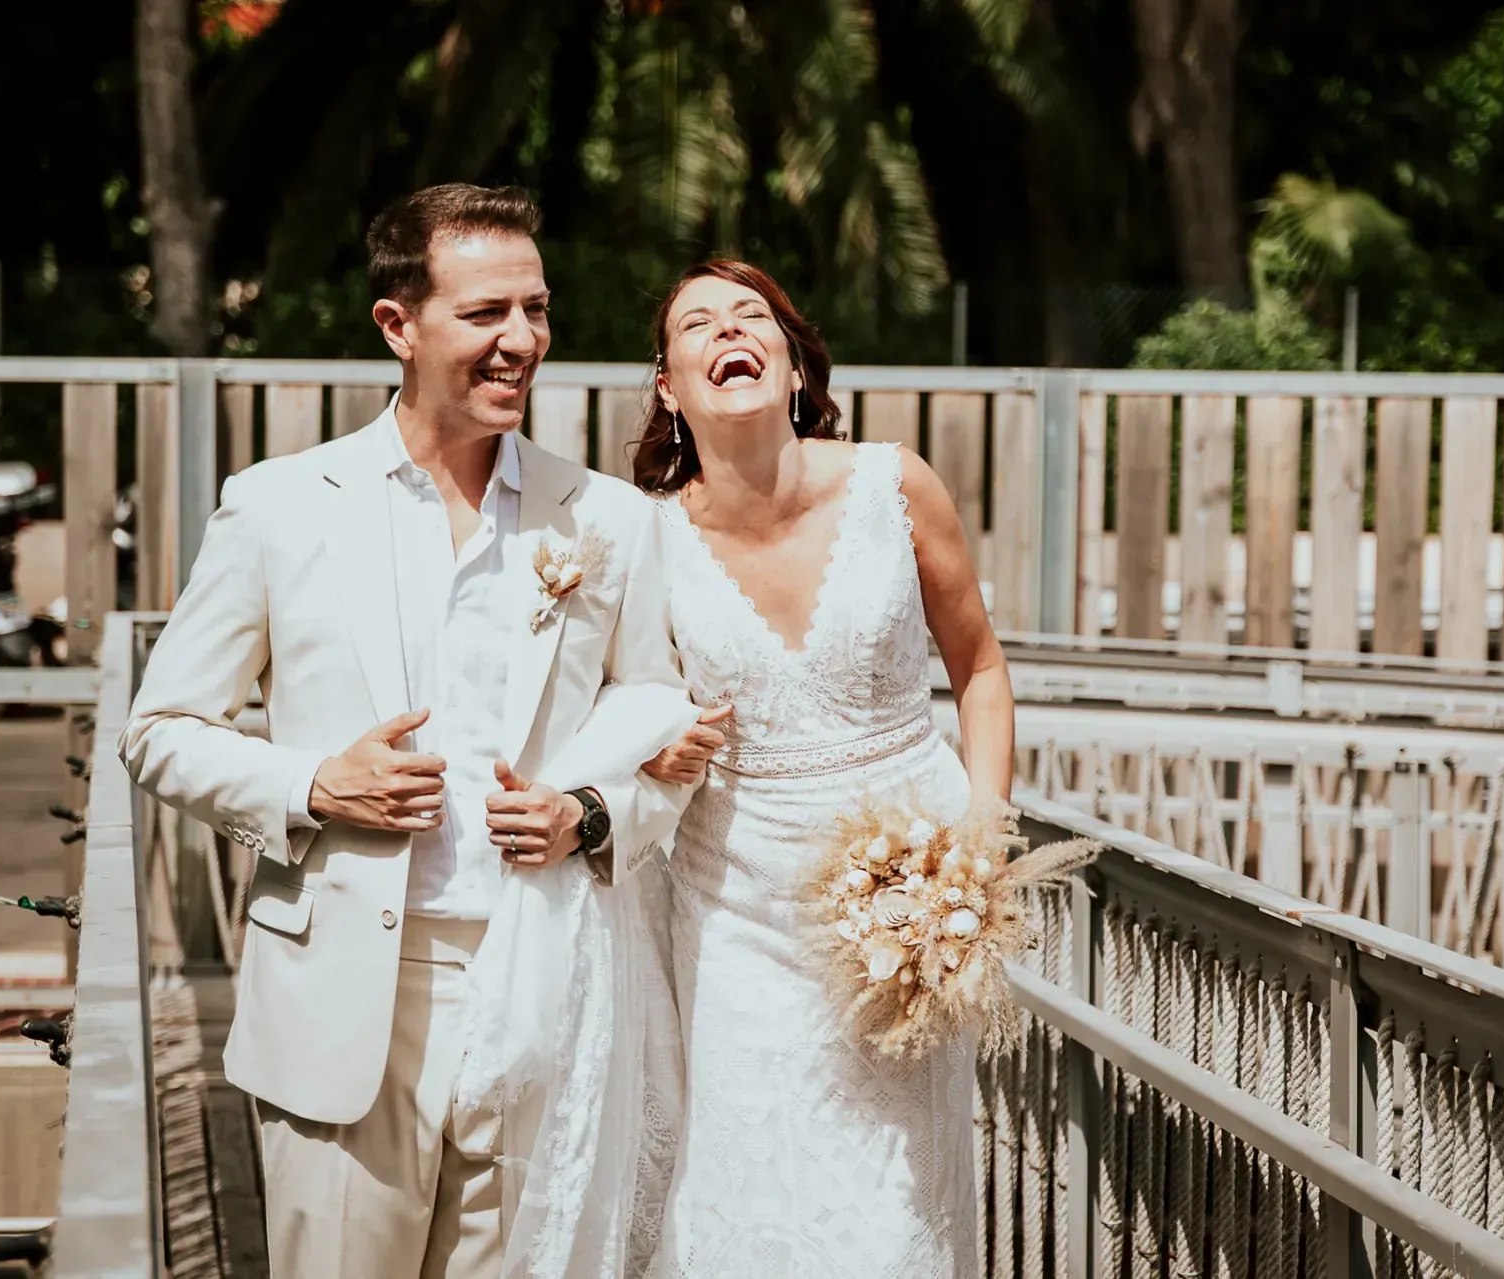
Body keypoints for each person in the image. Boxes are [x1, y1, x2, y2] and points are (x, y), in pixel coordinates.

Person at [118, 184, 694, 1279]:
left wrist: (590, 815)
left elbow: (663, 732)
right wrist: (314, 784)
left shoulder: (609, 518)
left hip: (550, 987)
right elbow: (159, 729)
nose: (521, 340)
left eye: (536, 308)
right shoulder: (282, 505)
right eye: (486, 313)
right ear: (398, 324)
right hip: (350, 996)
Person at [632, 260, 1016, 1277]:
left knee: (892, 1207)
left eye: (753, 316)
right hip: (734, 918)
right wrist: (656, 747)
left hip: (902, 909)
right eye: (699, 323)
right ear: (669, 388)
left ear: (795, 365)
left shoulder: (895, 483)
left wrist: (980, 840)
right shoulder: (650, 541)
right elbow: (627, 713)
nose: (730, 330)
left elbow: (978, 667)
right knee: (740, 1190)